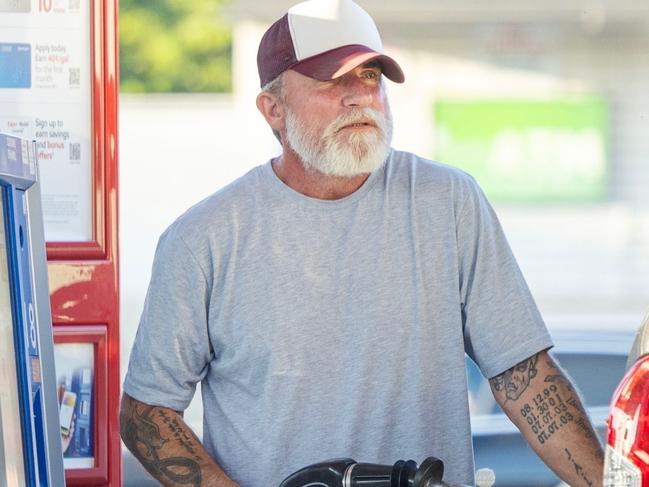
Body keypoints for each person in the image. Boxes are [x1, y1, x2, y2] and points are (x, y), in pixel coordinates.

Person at [121, 1, 605, 486]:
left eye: (371, 75)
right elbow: (146, 412)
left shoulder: (448, 203)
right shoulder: (204, 238)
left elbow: (523, 375)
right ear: (273, 110)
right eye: (332, 80)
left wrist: (611, 482)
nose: (359, 96)